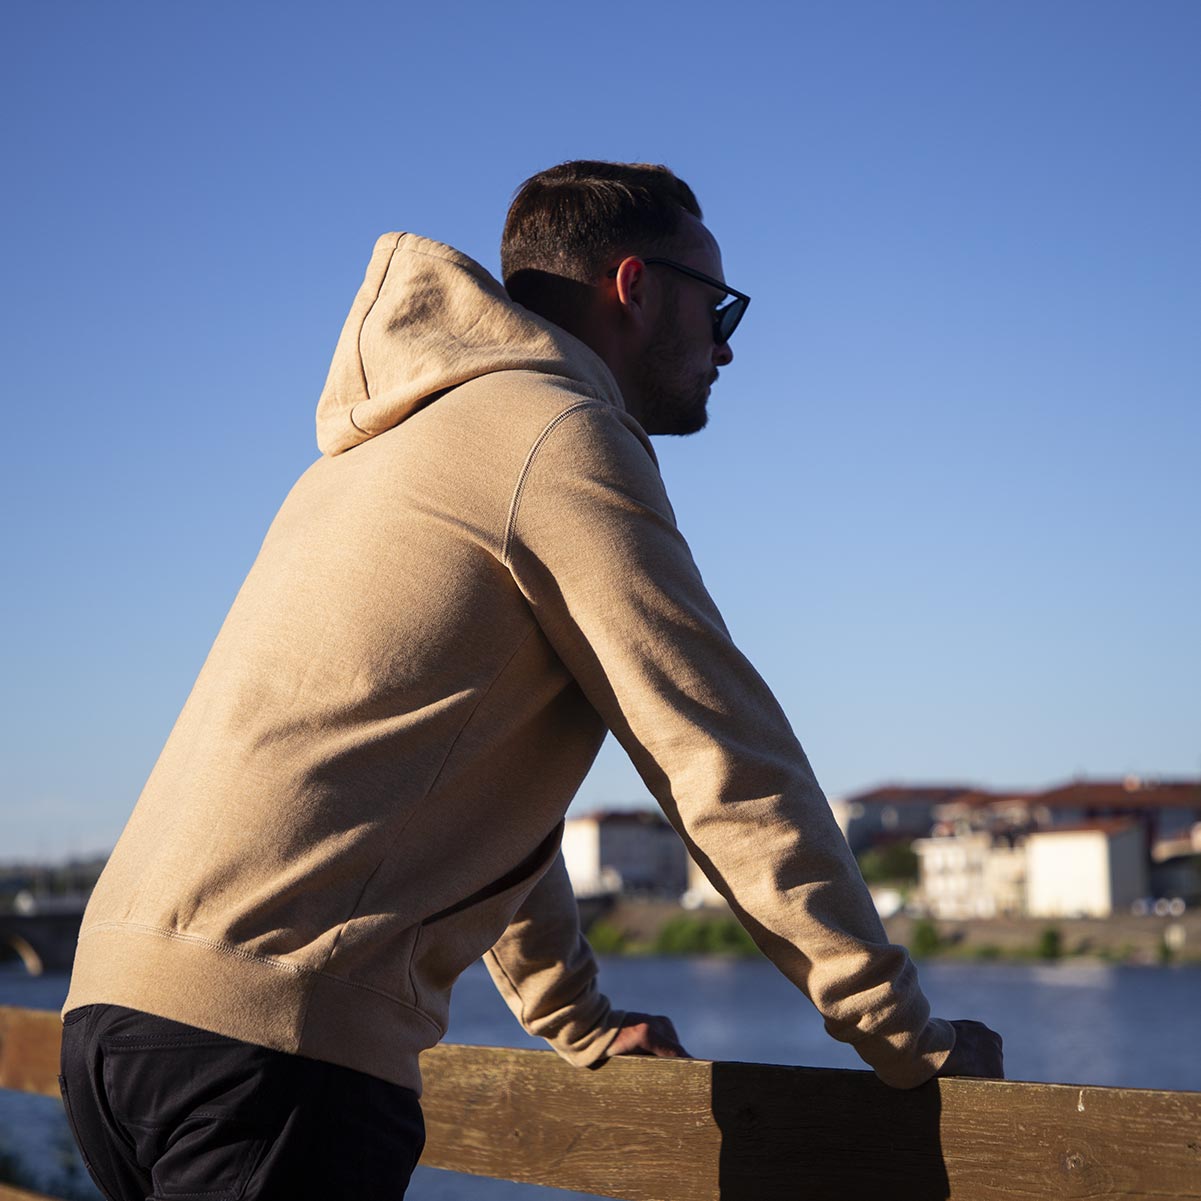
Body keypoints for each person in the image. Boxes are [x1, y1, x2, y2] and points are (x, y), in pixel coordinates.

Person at [60, 160, 1003, 1200]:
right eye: (718, 302)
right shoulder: (558, 436)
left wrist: (577, 1021)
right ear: (634, 286)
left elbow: (450, 796)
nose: (729, 342)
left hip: (122, 1019)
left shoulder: (386, 445)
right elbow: (717, 757)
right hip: (277, 1052)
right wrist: (903, 1033)